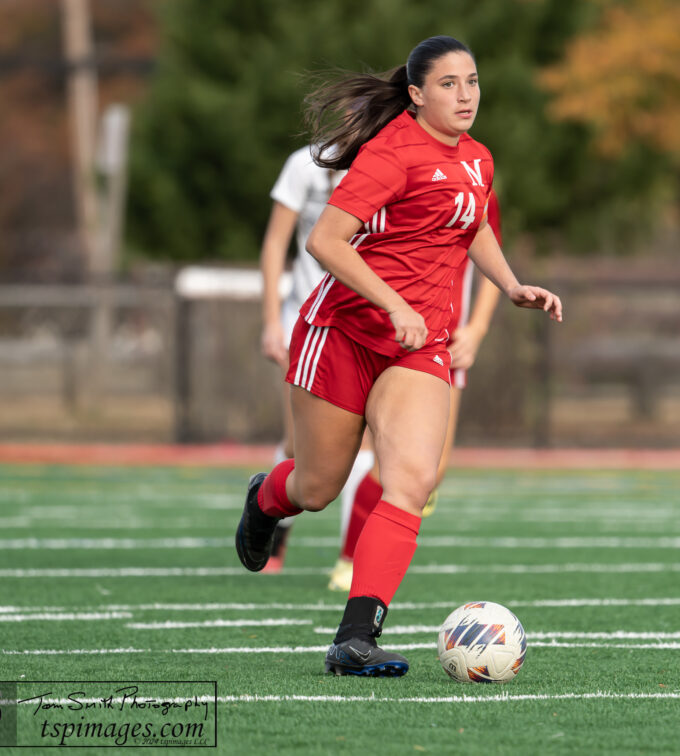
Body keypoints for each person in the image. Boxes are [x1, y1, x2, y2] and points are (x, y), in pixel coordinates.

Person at [235, 35, 562, 678]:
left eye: (472, 81)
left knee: (411, 480)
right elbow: (325, 243)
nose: (465, 95)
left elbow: (475, 227)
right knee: (319, 485)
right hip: (344, 335)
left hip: (419, 346)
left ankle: (355, 638)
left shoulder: (479, 160)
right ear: (416, 95)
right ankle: (266, 500)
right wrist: (393, 304)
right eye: (449, 84)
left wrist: (511, 284)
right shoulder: (390, 155)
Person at [328, 193, 503, 593]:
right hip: (389, 334)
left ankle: (370, 553)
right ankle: (350, 560)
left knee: (430, 472)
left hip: (446, 338)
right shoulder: (395, 173)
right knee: (382, 467)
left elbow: (492, 256)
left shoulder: (478, 179)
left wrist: (476, 330)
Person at [257, 144, 376, 573]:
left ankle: (351, 559)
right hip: (306, 320)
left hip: (364, 322)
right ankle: (272, 526)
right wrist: (272, 321)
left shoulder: (392, 162)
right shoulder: (303, 165)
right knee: (299, 445)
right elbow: (275, 244)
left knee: (364, 439)